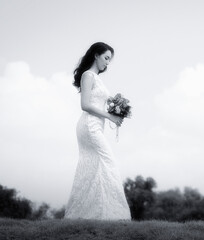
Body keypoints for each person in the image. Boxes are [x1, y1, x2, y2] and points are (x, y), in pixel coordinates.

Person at [64, 42, 131, 220]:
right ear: (96, 55)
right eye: (106, 58)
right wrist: (110, 117)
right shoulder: (88, 75)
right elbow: (85, 105)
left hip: (96, 126)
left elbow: (101, 103)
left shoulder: (97, 77)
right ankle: (114, 215)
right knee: (108, 162)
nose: (108, 63)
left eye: (110, 60)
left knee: (94, 167)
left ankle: (91, 214)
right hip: (89, 126)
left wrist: (118, 110)